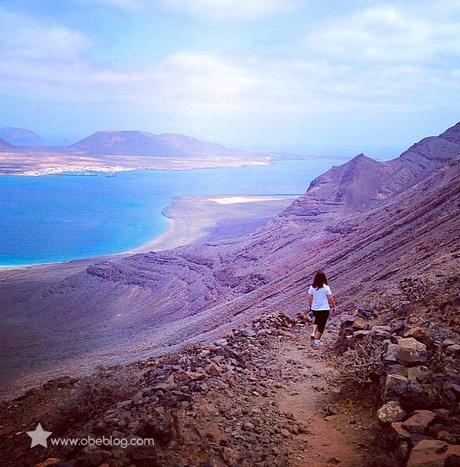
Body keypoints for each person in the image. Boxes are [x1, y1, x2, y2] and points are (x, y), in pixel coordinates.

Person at [307, 270, 336, 345]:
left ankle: (313, 332)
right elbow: (330, 298)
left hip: (315, 308)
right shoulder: (326, 288)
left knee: (317, 320)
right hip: (324, 309)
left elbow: (309, 297)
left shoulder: (312, 287)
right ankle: (317, 341)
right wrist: (334, 306)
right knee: (322, 324)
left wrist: (310, 306)